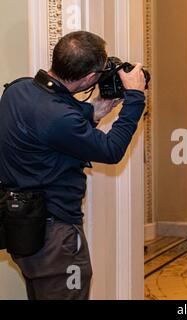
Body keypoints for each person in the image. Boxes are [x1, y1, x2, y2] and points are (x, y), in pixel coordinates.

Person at [0, 31, 147, 300]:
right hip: (57, 239)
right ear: (91, 77)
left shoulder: (17, 90)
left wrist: (92, 111)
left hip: (23, 227)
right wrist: (135, 98)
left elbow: (47, 123)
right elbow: (111, 150)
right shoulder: (60, 119)